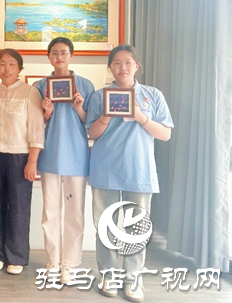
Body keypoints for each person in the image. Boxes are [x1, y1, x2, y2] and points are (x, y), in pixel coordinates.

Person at [86, 44, 173, 302]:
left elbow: (165, 134)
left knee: (137, 228)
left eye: (128, 62)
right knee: (106, 226)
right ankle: (109, 276)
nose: (122, 67)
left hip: (139, 170)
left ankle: (133, 279)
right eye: (117, 63)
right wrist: (106, 115)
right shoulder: (99, 96)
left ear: (136, 66)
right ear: (110, 68)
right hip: (105, 169)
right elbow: (91, 133)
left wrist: (140, 117)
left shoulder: (152, 95)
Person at [34, 37, 95, 283]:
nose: (59, 57)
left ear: (71, 55)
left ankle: (69, 264)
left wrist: (79, 107)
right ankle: (53, 261)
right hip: (50, 155)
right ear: (49, 56)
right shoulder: (40, 86)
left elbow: (91, 122)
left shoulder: (85, 85)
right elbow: (35, 122)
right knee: (50, 212)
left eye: (64, 52)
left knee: (74, 213)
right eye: (54, 53)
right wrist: (46, 112)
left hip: (77, 156)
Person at [0, 49, 44, 275]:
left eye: (11, 64)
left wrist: (32, 160)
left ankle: (16, 256)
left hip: (20, 156)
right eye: (2, 64)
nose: (6, 68)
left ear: (19, 68)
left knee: (18, 207)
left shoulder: (31, 92)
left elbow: (36, 128)